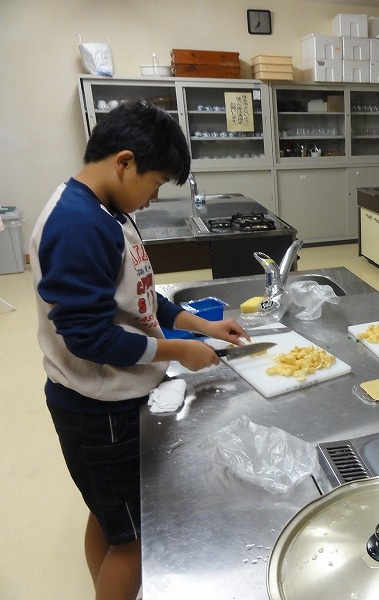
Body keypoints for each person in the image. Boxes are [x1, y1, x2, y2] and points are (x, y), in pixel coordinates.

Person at [29, 101, 251, 600]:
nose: (153, 198)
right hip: (97, 410)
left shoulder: (108, 211)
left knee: (112, 518)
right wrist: (177, 351)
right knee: (132, 540)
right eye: (155, 183)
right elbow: (87, 337)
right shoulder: (77, 223)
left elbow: (142, 300)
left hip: (111, 400)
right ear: (124, 162)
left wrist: (202, 326)